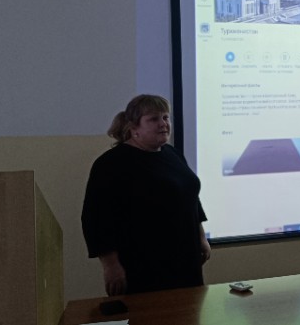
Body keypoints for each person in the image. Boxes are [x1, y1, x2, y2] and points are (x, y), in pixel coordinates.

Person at [81, 94, 211, 295]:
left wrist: (201, 237)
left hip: (185, 258)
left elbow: (190, 198)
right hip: (143, 264)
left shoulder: (173, 154)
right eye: (153, 119)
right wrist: (111, 265)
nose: (163, 124)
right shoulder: (111, 164)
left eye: (165, 117)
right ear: (134, 128)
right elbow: (96, 219)